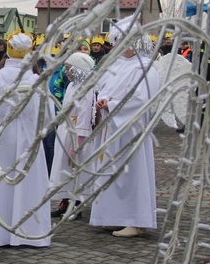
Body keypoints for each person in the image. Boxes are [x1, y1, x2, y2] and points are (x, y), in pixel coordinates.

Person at [0, 32, 53, 247]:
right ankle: (28, 230)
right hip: (28, 141)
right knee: (28, 183)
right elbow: (48, 116)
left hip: (0, 139)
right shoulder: (37, 80)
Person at [89, 14, 159, 237]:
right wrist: (103, 101)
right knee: (111, 172)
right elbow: (106, 88)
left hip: (131, 130)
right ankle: (114, 216)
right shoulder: (117, 65)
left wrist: (113, 105)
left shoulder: (145, 67)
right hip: (113, 128)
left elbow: (141, 100)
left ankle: (135, 220)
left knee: (131, 173)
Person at [49, 53, 97, 219]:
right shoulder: (71, 86)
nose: (66, 71)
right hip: (65, 130)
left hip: (76, 134)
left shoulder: (87, 88)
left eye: (69, 68)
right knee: (64, 170)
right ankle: (65, 201)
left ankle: (76, 205)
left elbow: (84, 116)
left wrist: (78, 143)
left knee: (75, 171)